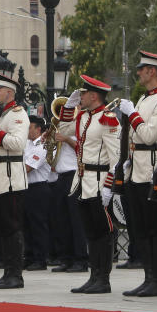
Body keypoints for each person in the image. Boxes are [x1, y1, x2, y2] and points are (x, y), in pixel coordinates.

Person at [58, 76, 119, 294]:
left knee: (103, 231)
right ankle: (94, 276)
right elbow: (63, 131)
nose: (80, 96)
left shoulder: (108, 119)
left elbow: (117, 156)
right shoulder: (83, 117)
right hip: (83, 181)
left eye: (83, 94)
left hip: (99, 180)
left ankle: (103, 278)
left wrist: (109, 186)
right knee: (91, 232)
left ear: (94, 95)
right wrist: (69, 106)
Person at [116, 50, 157, 297]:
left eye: (142, 69)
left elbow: (149, 135)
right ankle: (148, 277)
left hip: (151, 170)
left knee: (154, 227)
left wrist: (132, 115)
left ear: (153, 71)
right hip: (136, 170)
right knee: (140, 228)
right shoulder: (144, 99)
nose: (138, 73)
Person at [0, 73, 29, 288]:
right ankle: (7, 272)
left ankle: (15, 274)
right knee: (2, 227)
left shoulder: (17, 115)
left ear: (9, 92)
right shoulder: (0, 115)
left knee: (12, 227)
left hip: (10, 179)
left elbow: (17, 143)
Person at [50, 94, 88, 274]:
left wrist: (66, 139)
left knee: (76, 220)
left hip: (75, 173)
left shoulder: (82, 124)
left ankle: (80, 259)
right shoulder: (64, 124)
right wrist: (49, 138)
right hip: (61, 175)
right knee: (61, 219)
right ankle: (66, 258)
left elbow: (82, 148)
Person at [23, 114, 52, 273]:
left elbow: (27, 167)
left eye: (29, 127)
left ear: (38, 129)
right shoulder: (26, 144)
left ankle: (40, 259)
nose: (27, 130)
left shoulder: (42, 146)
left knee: (38, 225)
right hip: (27, 188)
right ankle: (29, 257)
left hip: (38, 188)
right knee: (27, 225)